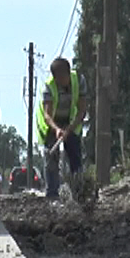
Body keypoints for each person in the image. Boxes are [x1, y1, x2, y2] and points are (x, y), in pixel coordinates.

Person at [39, 56, 87, 199]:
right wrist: (57, 130)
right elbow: (47, 115)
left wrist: (70, 128)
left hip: (71, 121)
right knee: (51, 158)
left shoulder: (79, 80)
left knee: (75, 156)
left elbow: (82, 110)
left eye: (62, 78)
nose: (60, 82)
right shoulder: (49, 86)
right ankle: (52, 195)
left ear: (68, 73)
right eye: (57, 78)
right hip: (51, 124)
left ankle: (78, 194)